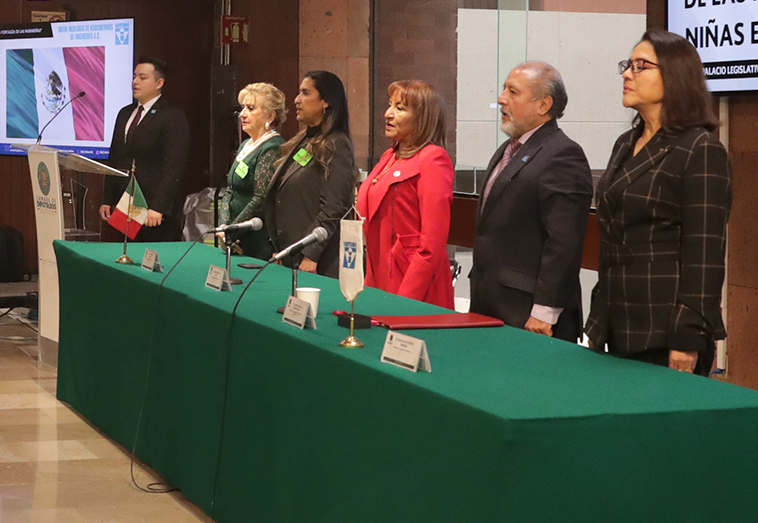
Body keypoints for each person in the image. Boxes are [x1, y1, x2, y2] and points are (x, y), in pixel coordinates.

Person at [588, 30, 733, 374]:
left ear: (674, 76)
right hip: (617, 320)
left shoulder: (700, 148)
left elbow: (704, 255)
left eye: (640, 66)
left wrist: (687, 337)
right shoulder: (626, 142)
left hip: (667, 330)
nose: (627, 74)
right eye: (627, 65)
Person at [468, 61, 593, 340]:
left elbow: (564, 242)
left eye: (513, 92)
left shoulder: (563, 154)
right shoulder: (508, 149)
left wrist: (545, 311)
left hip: (530, 316)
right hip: (489, 304)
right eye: (504, 89)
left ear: (543, 105)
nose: (502, 98)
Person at [235, 69, 353, 272]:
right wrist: (280, 249)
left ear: (325, 101)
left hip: (316, 260)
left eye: (305, 93)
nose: (297, 100)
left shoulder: (336, 144)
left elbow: (334, 207)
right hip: (290, 253)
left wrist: (311, 255)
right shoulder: (305, 139)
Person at [357, 79, 456, 305]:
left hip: (414, 286)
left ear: (422, 118)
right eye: (390, 105)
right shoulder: (389, 157)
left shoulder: (432, 158)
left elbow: (431, 244)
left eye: (400, 108)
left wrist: (406, 299)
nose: (388, 114)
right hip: (378, 276)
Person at [100, 56, 189, 244]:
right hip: (125, 204)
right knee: (125, 253)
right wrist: (107, 199)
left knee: (151, 256)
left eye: (142, 77)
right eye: (134, 76)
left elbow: (174, 166)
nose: (135, 82)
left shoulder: (172, 116)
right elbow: (114, 158)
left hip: (153, 206)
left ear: (159, 83)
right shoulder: (125, 113)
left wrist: (159, 207)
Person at [222, 81, 285, 259]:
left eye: (250, 108)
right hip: (234, 236)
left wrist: (233, 230)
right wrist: (224, 228)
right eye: (243, 108)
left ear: (270, 116)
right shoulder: (245, 145)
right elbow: (230, 190)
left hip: (256, 239)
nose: (242, 114)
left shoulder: (272, 147)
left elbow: (260, 198)